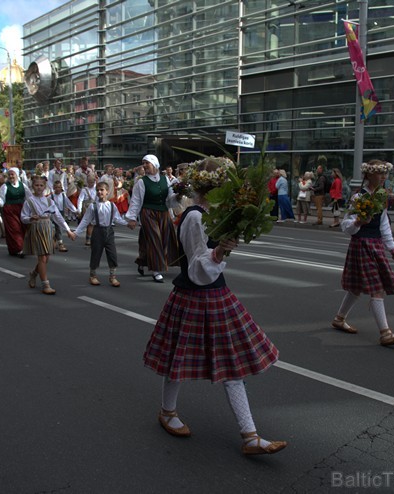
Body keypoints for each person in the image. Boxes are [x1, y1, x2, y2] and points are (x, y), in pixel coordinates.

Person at [142, 157, 286, 456]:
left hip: (215, 295)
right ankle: (167, 411)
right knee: (178, 360)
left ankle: (250, 436)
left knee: (231, 365)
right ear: (216, 186)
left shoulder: (216, 215)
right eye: (229, 182)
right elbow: (196, 268)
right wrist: (219, 252)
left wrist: (224, 247)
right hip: (196, 294)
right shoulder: (195, 216)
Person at [331, 160, 394, 346]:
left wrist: (392, 248)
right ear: (369, 175)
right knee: (377, 289)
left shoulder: (381, 196)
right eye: (379, 173)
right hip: (362, 244)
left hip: (376, 245)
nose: (383, 177)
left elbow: (384, 224)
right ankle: (385, 333)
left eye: (385, 174)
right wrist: (358, 222)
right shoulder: (359, 197)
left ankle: (339, 319)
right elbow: (345, 226)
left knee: (356, 288)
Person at [124, 154, 179, 283]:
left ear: (154, 164)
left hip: (164, 213)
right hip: (148, 213)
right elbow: (136, 201)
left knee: (165, 240)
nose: (144, 165)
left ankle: (143, 260)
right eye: (143, 163)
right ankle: (156, 270)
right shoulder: (142, 182)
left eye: (146, 163)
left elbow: (170, 199)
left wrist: (178, 196)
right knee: (155, 239)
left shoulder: (165, 180)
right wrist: (132, 218)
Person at [21, 175, 75, 295]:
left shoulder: (49, 201)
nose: (39, 188)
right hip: (37, 228)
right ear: (32, 186)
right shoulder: (29, 202)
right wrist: (30, 218)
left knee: (46, 258)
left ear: (45, 187)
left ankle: (34, 274)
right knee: (42, 257)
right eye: (36, 185)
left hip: (48, 228)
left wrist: (68, 230)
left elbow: (58, 217)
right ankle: (46, 284)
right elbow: (23, 217)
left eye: (41, 185)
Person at [72, 182, 128, 287]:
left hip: (109, 231)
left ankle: (113, 276)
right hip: (97, 231)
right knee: (96, 253)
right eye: (98, 190)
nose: (99, 192)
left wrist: (128, 223)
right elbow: (85, 220)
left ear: (107, 192)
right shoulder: (93, 206)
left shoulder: (112, 205)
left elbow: (117, 218)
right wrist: (76, 233)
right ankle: (92, 275)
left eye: (102, 190)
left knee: (112, 254)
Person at [0, 167, 30, 258]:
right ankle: (19, 249)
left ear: (17, 175)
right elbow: (0, 197)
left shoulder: (23, 185)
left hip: (22, 209)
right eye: (9, 174)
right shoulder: (5, 186)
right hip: (10, 210)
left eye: (12, 174)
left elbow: (29, 197)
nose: (11, 176)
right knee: (14, 229)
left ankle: (19, 248)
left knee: (23, 228)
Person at [51, 180, 76, 252]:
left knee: (59, 228)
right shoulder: (51, 196)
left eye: (59, 187)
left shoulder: (63, 195)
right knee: (55, 228)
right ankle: (58, 242)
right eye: (56, 187)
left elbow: (68, 203)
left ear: (61, 187)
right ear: (53, 188)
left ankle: (57, 242)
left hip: (61, 213)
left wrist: (75, 210)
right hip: (53, 214)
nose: (58, 189)